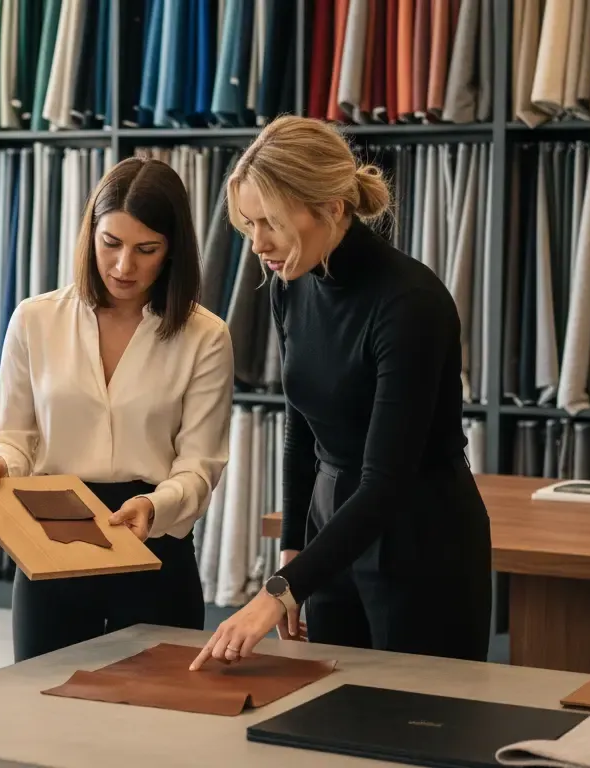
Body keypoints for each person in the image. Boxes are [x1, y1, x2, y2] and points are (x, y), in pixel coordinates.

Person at [191, 116, 492, 671]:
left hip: (420, 541)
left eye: (271, 223)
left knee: (421, 729)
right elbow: (301, 428)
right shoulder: (292, 285)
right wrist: (292, 551)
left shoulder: (410, 303)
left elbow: (385, 481)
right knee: (330, 713)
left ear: (329, 207)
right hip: (331, 533)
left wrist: (277, 591)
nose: (258, 245)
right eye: (249, 225)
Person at [0, 157, 235, 663]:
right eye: (110, 243)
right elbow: (13, 434)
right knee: (44, 721)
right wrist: (0, 463)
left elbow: (200, 465)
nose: (123, 266)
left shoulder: (206, 336)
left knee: (153, 725)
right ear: (90, 234)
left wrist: (156, 506)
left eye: (146, 249)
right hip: (52, 547)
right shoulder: (35, 319)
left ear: (173, 250)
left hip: (155, 546)